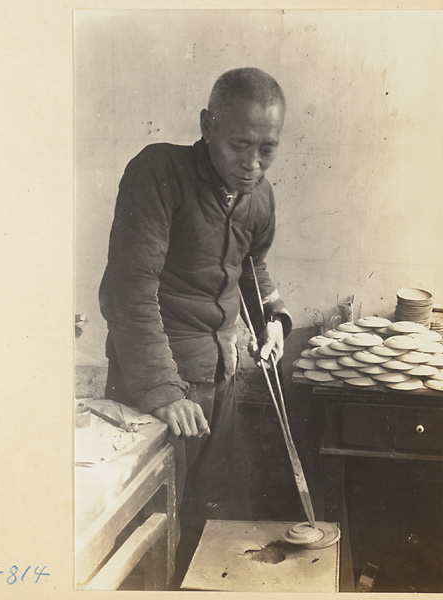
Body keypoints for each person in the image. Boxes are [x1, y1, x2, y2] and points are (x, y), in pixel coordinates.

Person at [99, 67, 292, 583]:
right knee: (147, 527)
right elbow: (129, 289)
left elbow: (253, 267)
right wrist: (163, 391)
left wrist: (273, 320)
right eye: (240, 144)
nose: (253, 164)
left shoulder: (260, 196)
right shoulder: (159, 171)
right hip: (155, 383)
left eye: (267, 149)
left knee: (207, 511)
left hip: (220, 379)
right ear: (208, 125)